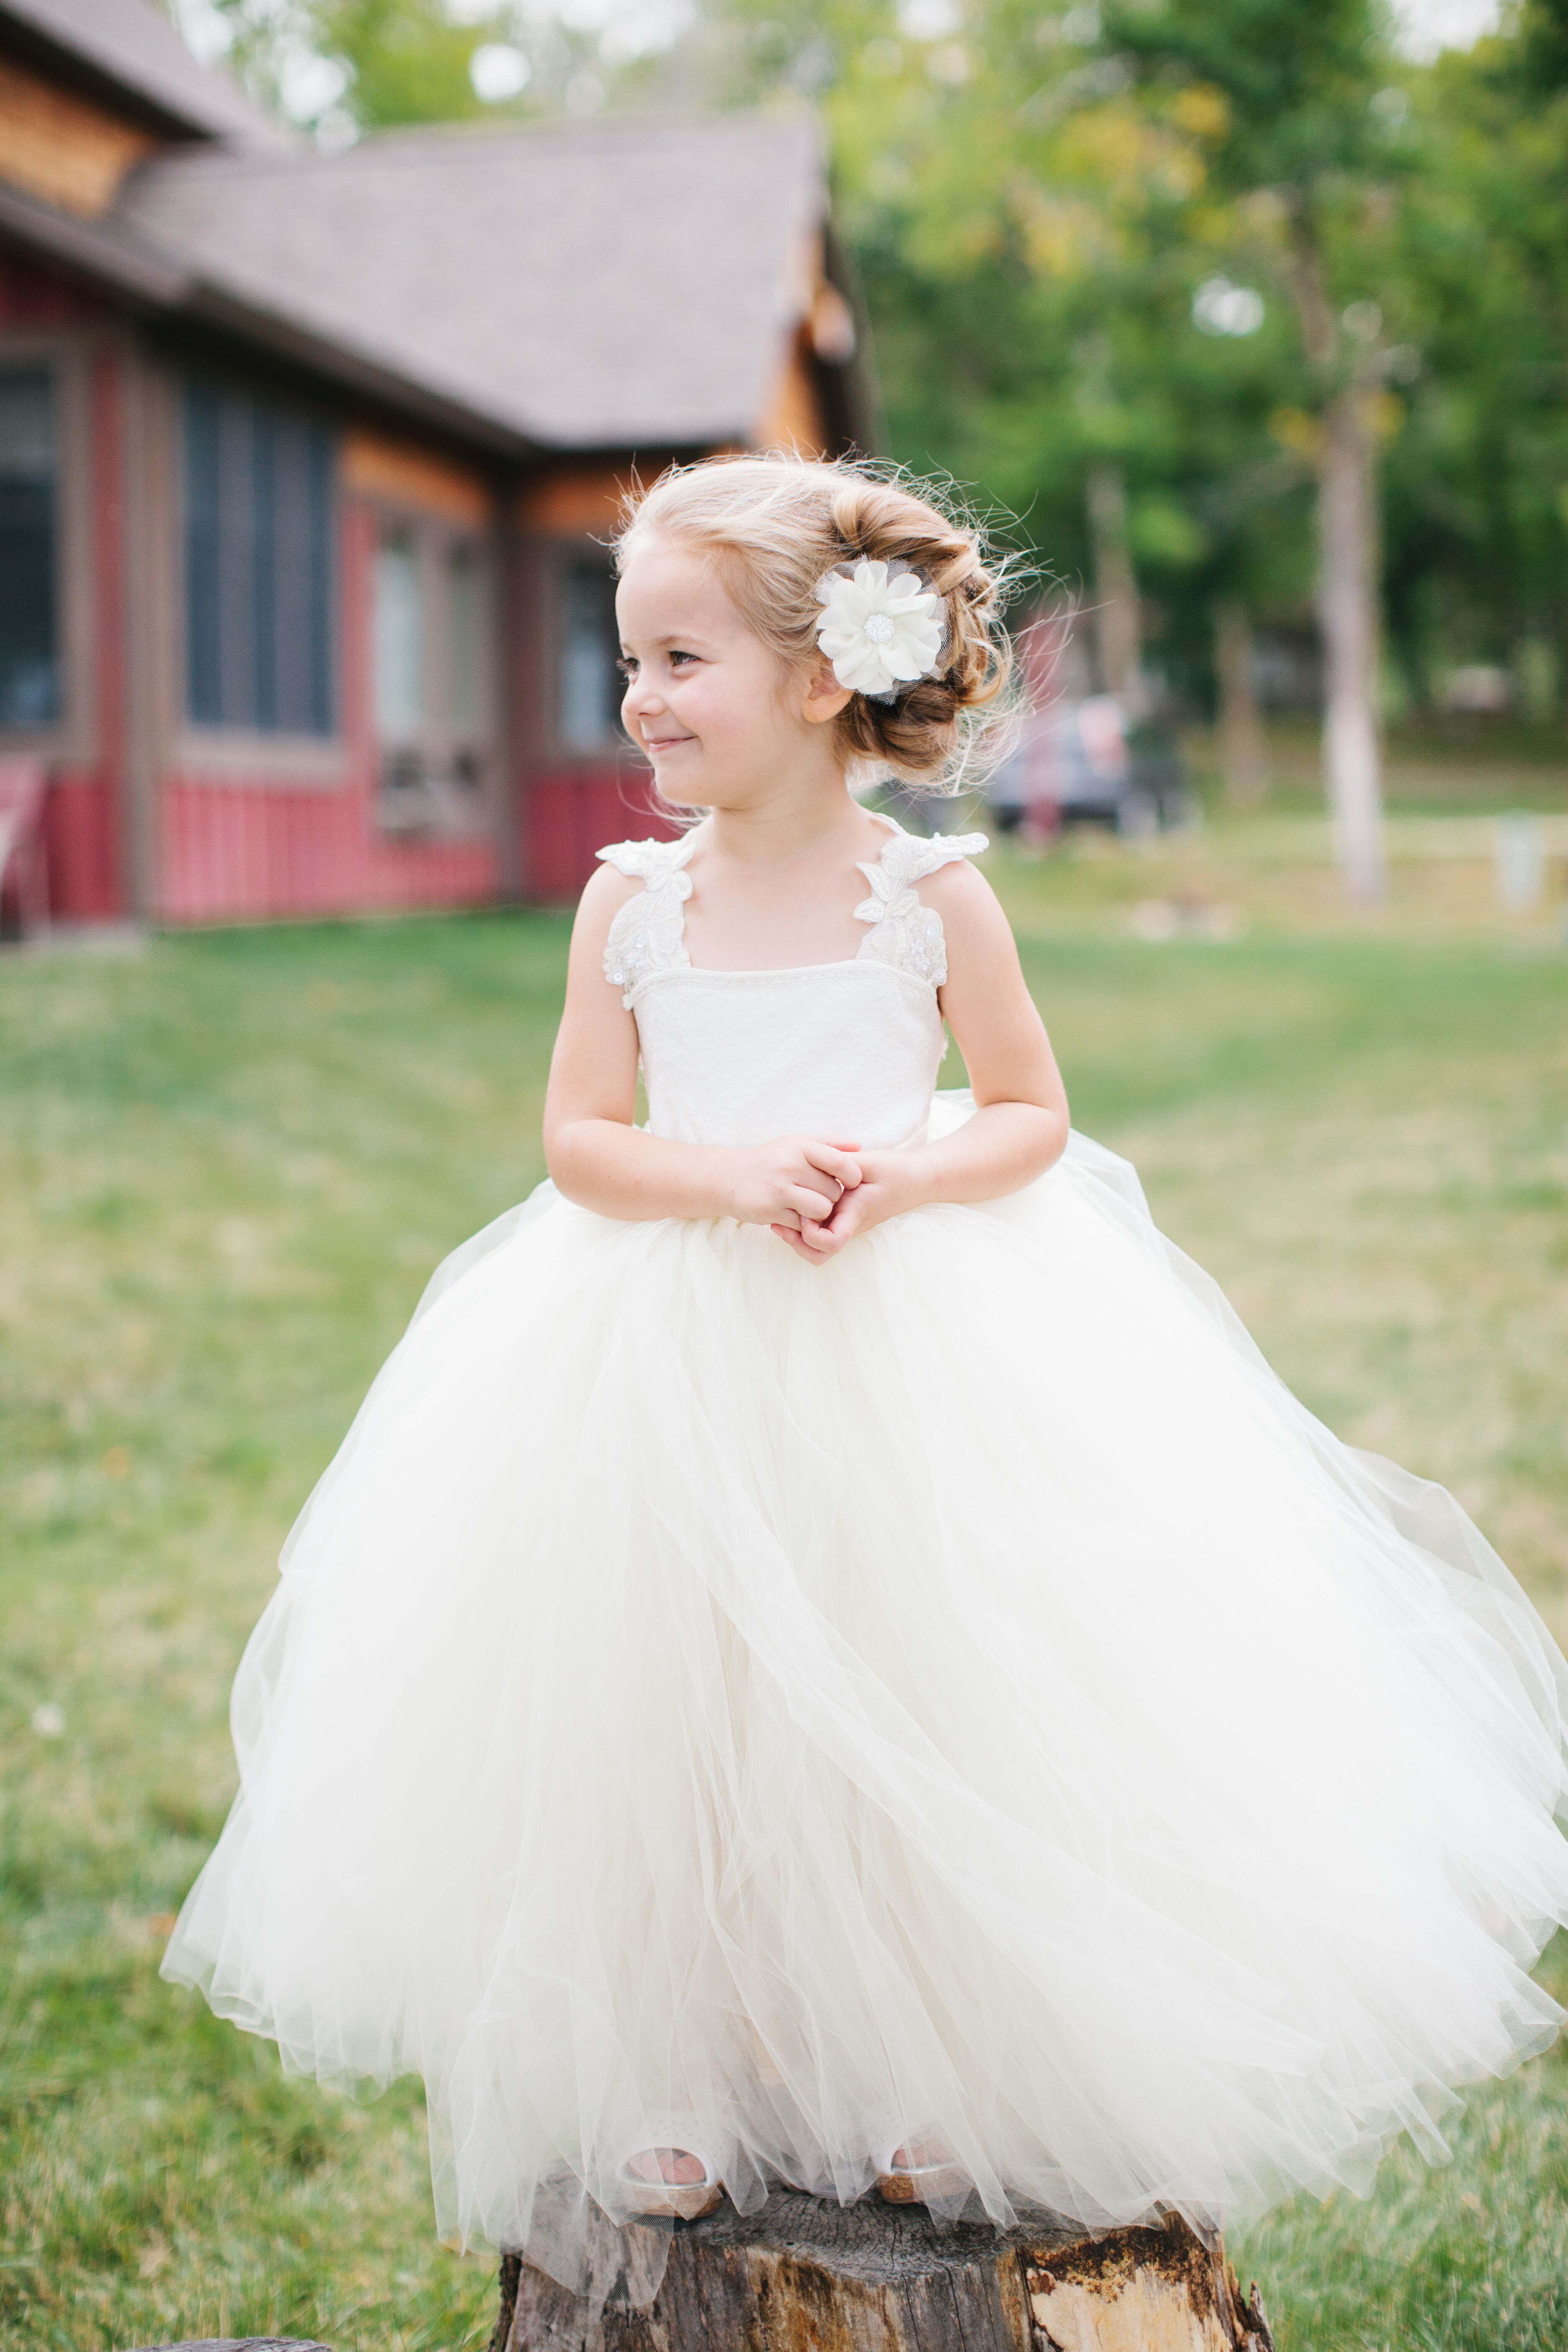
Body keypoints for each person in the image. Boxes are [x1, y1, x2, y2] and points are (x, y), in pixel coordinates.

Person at [163, 454, 1568, 2313]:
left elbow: (1037, 1115)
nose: (639, 699)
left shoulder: (931, 899)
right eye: (629, 662)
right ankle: (677, 2055)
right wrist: (730, 1177)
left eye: (678, 658)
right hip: (664, 1351)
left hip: (904, 1345)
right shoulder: (630, 909)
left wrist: (909, 1170)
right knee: (674, 1715)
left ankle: (916, 2065)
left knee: (908, 1694)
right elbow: (586, 1139)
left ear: (822, 678)